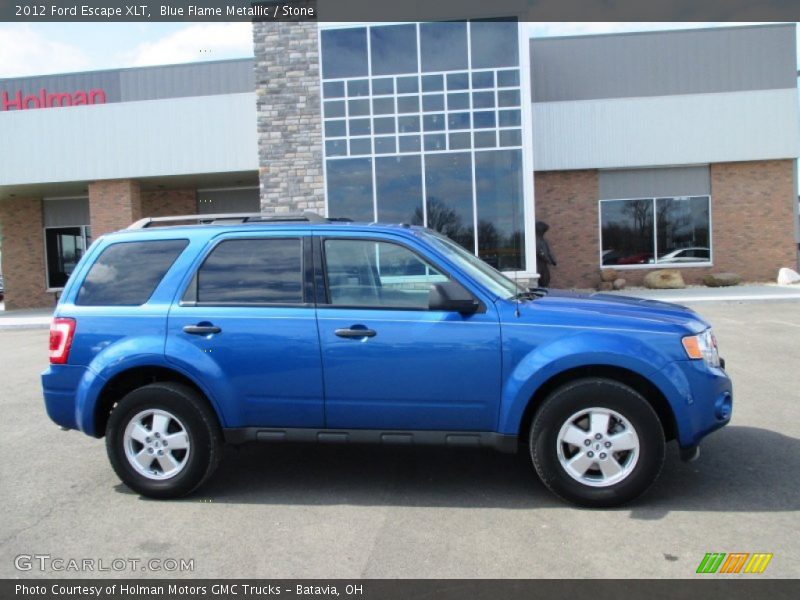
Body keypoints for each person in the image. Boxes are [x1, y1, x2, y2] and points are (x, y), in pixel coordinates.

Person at [536, 220, 557, 287]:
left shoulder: (543, 241)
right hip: (539, 265)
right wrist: (548, 260)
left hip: (544, 265)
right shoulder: (536, 241)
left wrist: (552, 260)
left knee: (545, 279)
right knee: (541, 280)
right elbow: (540, 253)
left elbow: (548, 252)